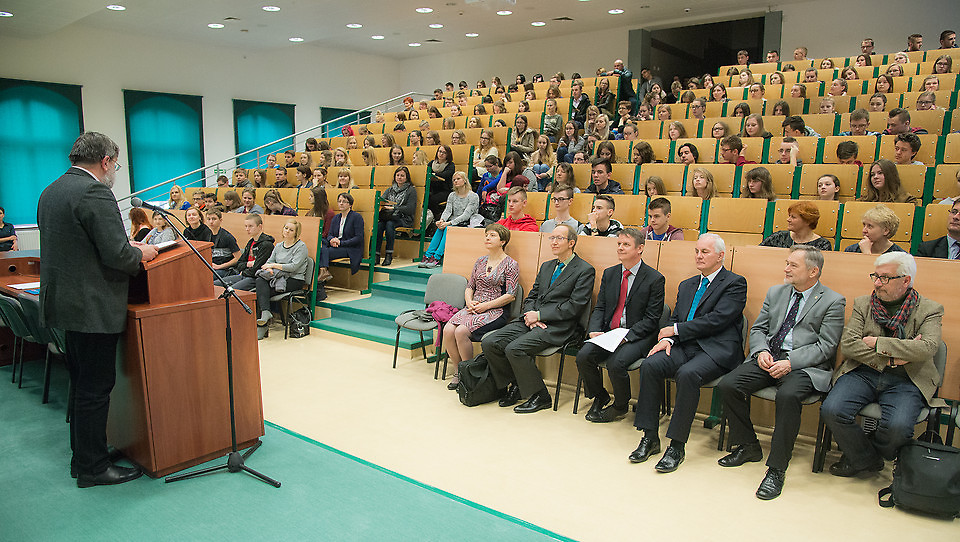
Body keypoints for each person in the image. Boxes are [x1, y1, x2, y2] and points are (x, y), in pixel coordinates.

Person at [37, 131, 158, 487]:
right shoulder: (95, 192)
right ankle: (92, 468)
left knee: (81, 385)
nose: (114, 172)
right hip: (92, 306)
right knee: (95, 388)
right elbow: (117, 254)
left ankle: (84, 458)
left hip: (66, 303)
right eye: (115, 165)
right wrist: (140, 253)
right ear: (105, 161)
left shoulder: (51, 190)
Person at [718, 245, 845, 499]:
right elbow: (759, 329)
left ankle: (776, 469)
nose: (786, 269)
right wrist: (760, 351)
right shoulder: (776, 292)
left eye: (793, 265)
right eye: (787, 263)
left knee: (787, 396)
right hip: (769, 357)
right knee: (728, 385)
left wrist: (791, 362)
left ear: (813, 271)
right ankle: (749, 445)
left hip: (804, 366)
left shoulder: (833, 301)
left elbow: (826, 347)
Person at [628, 233, 747, 472]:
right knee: (650, 365)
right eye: (697, 251)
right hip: (684, 345)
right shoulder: (687, 284)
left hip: (715, 349)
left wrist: (676, 330)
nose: (699, 256)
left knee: (687, 374)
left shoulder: (734, 283)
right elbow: (676, 318)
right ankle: (649, 437)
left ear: (720, 256)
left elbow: (718, 320)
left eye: (705, 252)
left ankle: (676, 446)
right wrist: (668, 338)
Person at [821, 252, 944, 477]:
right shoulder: (863, 304)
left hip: (907, 378)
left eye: (885, 278)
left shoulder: (930, 309)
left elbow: (927, 348)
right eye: (875, 276)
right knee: (832, 410)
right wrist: (894, 356)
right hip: (862, 372)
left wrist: (878, 342)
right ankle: (868, 459)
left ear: (906, 280)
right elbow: (849, 345)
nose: (877, 283)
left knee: (898, 429)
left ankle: (860, 455)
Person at [482, 223, 595, 413]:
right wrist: (531, 315)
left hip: (560, 326)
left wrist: (540, 315)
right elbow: (532, 296)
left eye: (559, 238)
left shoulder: (584, 270)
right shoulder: (547, 266)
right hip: (532, 319)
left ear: (571, 243)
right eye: (552, 238)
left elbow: (575, 306)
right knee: (490, 342)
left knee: (514, 349)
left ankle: (541, 396)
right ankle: (517, 384)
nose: (554, 242)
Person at [576, 228, 666, 422]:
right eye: (619, 244)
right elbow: (600, 307)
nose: (620, 248)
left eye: (626, 244)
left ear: (640, 248)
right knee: (583, 356)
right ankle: (600, 396)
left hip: (638, 335)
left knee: (616, 363)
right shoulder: (610, 273)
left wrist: (627, 336)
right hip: (610, 333)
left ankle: (620, 405)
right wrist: (594, 330)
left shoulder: (654, 279)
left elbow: (651, 319)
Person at [442, 224, 520, 389]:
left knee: (461, 331)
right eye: (486, 235)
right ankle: (458, 371)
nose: (487, 238)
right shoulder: (480, 261)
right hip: (474, 306)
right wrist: (469, 301)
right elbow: (470, 286)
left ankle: (469, 374)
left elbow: (511, 295)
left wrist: (485, 306)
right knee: (448, 329)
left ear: (503, 241)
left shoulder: (511, 264)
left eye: (492, 235)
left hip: (495, 310)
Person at [254, 219, 309, 338]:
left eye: (291, 230)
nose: (287, 231)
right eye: (286, 228)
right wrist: (269, 268)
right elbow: (269, 261)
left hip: (294, 279)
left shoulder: (301, 247)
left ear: (296, 233)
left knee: (262, 293)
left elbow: (293, 267)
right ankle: (265, 313)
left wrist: (274, 266)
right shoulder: (279, 246)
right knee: (260, 281)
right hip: (277, 277)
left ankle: (262, 326)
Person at [420, 171, 479, 268]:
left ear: (465, 180)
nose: (455, 181)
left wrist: (449, 223)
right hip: (451, 222)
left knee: (447, 228)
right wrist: (442, 220)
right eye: (454, 180)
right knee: (440, 228)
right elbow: (447, 210)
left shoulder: (473, 196)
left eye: (458, 179)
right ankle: (428, 255)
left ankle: (437, 257)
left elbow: (466, 215)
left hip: (466, 223)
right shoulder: (452, 195)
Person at [317, 192, 364, 282]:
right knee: (321, 242)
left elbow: (359, 238)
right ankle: (324, 271)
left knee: (321, 252)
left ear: (350, 204)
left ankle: (323, 272)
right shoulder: (336, 218)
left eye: (344, 201)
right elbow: (329, 234)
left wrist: (341, 243)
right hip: (336, 245)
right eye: (339, 201)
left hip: (350, 248)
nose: (341, 203)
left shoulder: (356, 217)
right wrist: (332, 240)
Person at [376, 166, 418, 267]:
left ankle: (389, 255)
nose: (399, 177)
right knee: (379, 225)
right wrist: (384, 205)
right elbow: (382, 201)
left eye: (402, 176)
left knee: (390, 224)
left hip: (404, 218)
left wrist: (394, 208)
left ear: (407, 178)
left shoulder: (411, 190)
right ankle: (376, 255)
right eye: (398, 175)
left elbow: (410, 209)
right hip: (389, 216)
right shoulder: (390, 189)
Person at [221, 213, 275, 290]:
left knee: (230, 291)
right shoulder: (251, 242)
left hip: (254, 278)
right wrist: (247, 264)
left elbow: (256, 269)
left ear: (260, 226)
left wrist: (244, 271)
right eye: (246, 226)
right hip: (244, 275)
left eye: (250, 226)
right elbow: (239, 264)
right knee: (216, 284)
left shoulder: (266, 245)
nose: (247, 229)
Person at [761, 201, 833, 250]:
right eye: (789, 216)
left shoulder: (822, 245)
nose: (788, 219)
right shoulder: (779, 237)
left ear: (807, 221)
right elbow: (758, 251)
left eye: (793, 217)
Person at [205, 208, 241, 278]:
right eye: (209, 219)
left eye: (214, 219)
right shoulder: (207, 235)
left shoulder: (227, 237)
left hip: (226, 269)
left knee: (208, 277)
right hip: (213, 267)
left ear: (220, 220)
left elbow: (238, 258)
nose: (211, 222)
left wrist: (220, 266)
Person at [428, 145, 455, 223]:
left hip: (445, 190)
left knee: (432, 199)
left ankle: (437, 215)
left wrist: (434, 174)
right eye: (440, 151)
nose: (441, 154)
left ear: (448, 155)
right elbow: (425, 172)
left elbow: (445, 175)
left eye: (444, 152)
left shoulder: (450, 165)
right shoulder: (431, 163)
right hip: (432, 189)